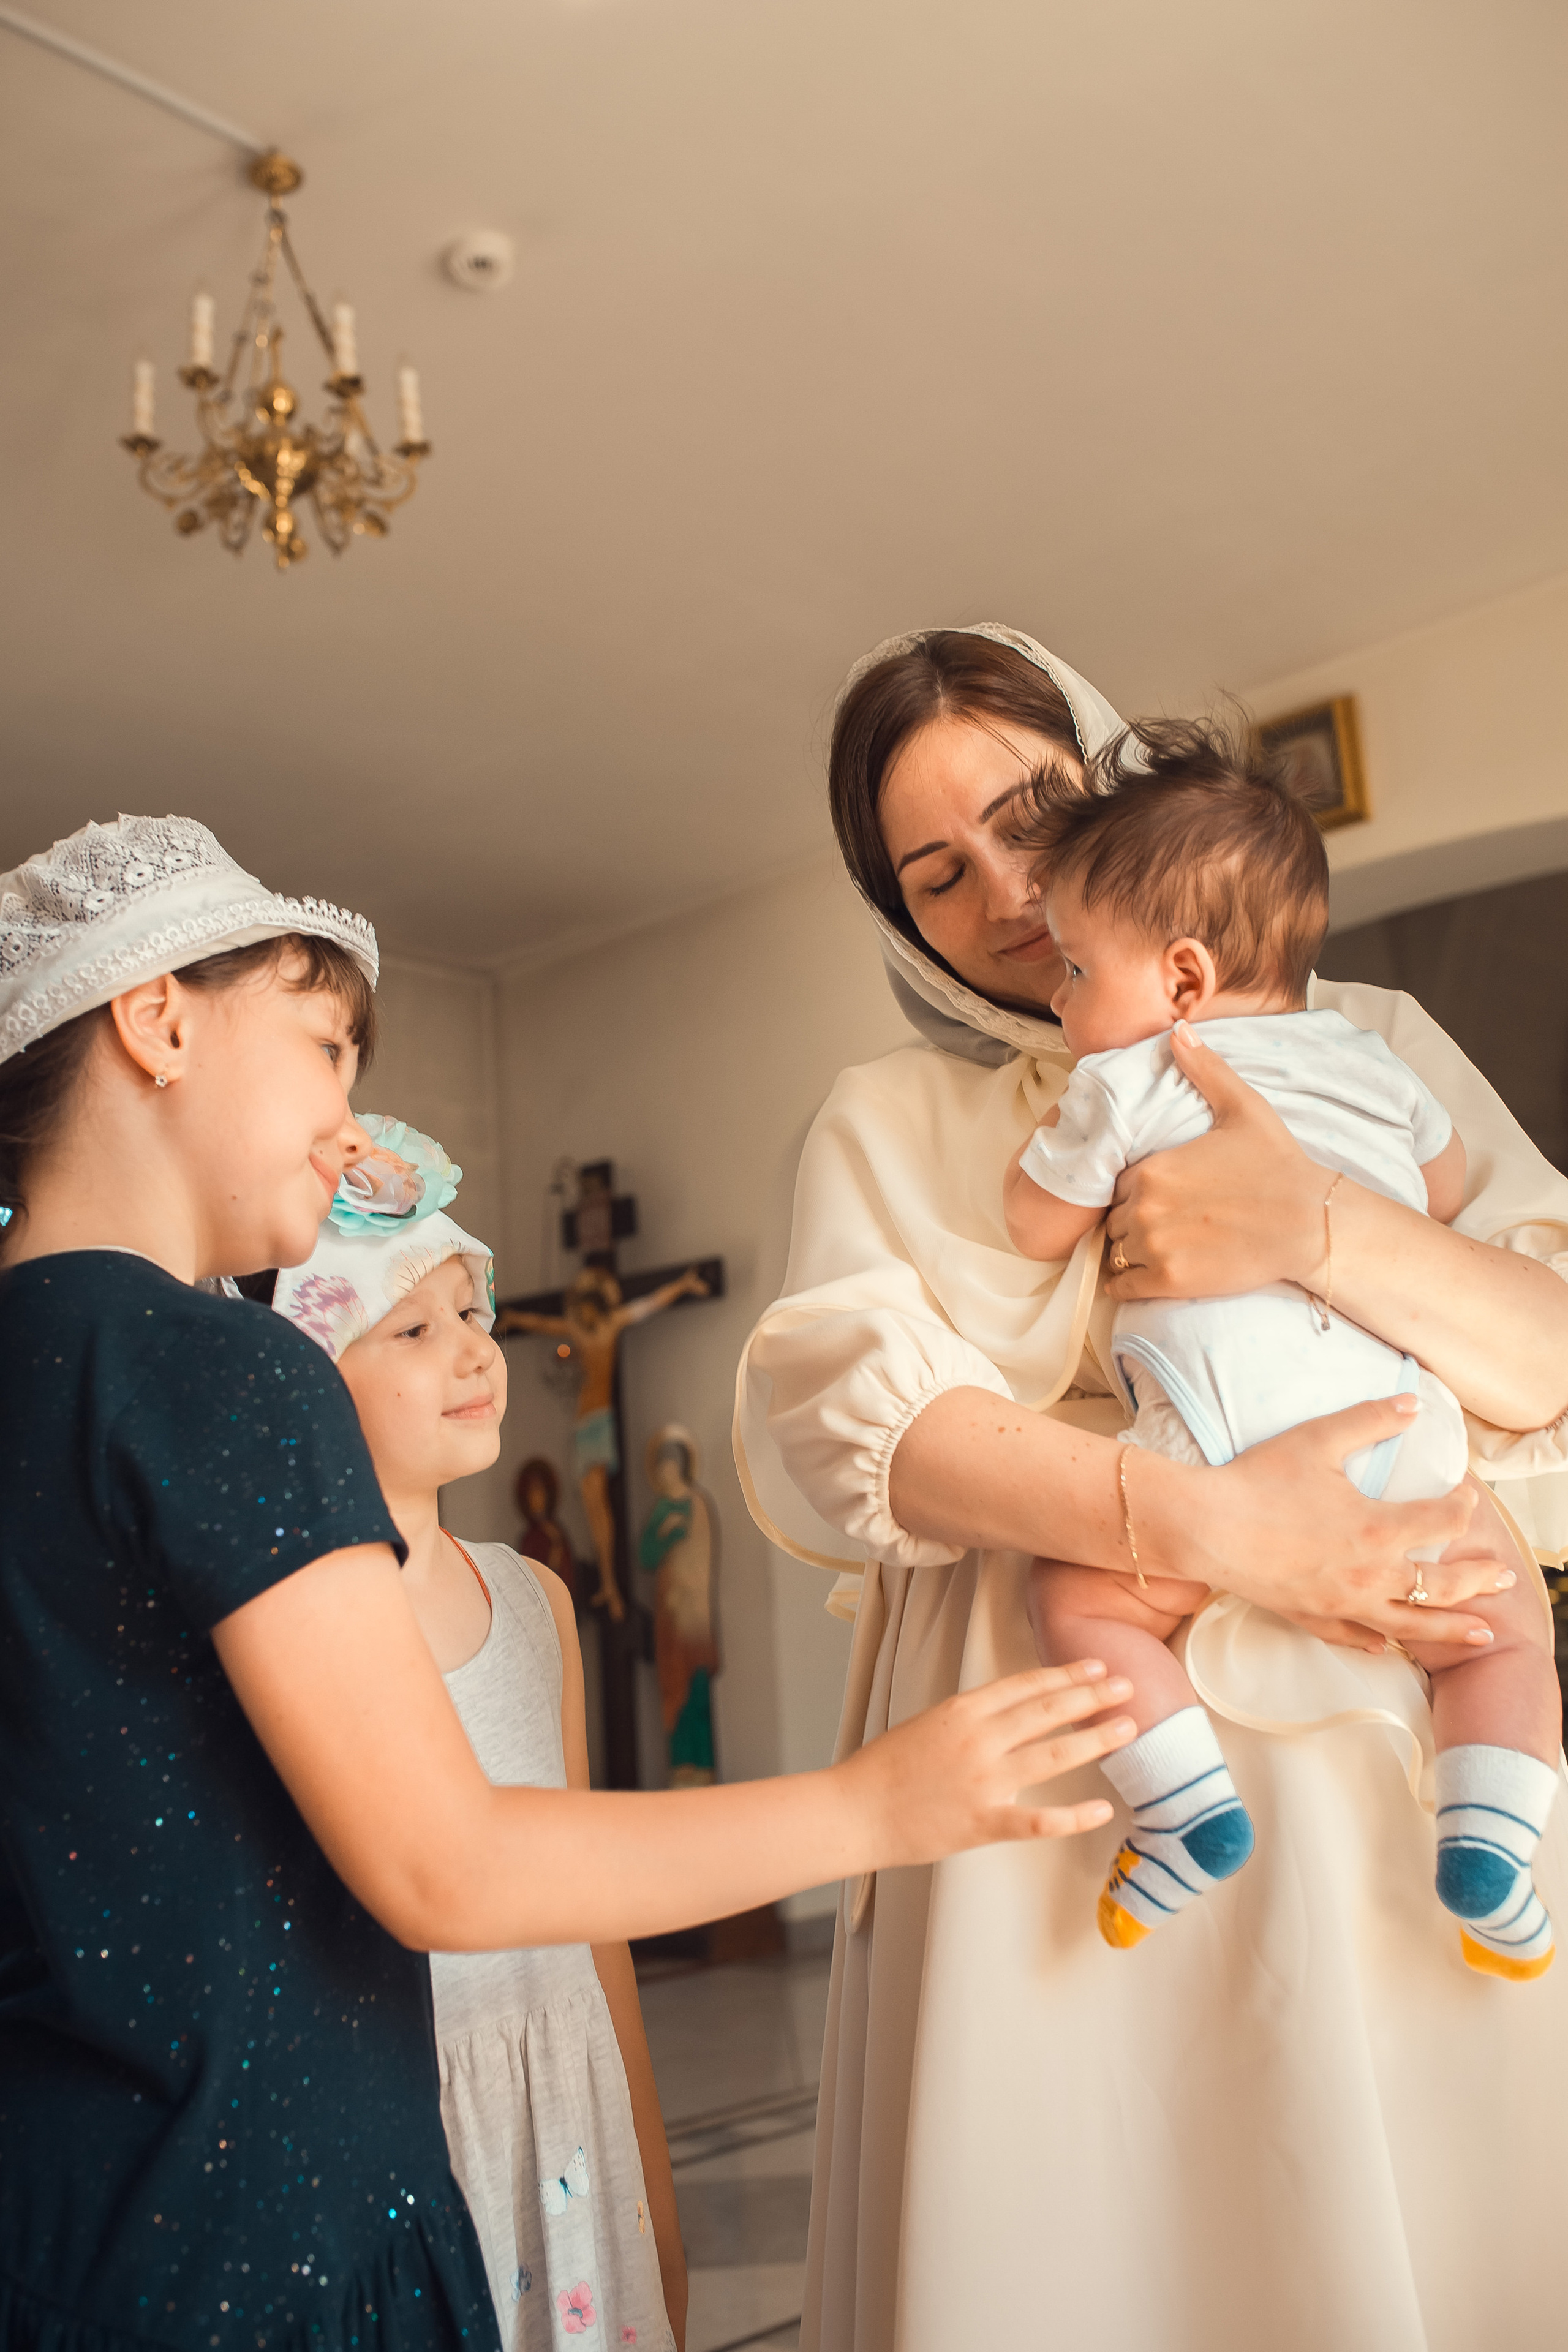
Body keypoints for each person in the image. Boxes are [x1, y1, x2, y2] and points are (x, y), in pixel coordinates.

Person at [0, 811, 1132, 2352]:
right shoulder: (228, 1376)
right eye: (327, 1044)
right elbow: (443, 1867)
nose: (348, 1119)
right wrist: (875, 1803)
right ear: (156, 1017)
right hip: (264, 2236)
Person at [732, 626, 1568, 2352]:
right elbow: (851, 1425)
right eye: (935, 873)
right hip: (1060, 1749)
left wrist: (1312, 1229)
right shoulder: (886, 1119)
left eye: (1031, 808)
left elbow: (1548, 1351)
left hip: (1367, 1737)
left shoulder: (1373, 1033)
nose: (1007, 888)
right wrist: (1210, 1525)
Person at [1004, 717, 1559, 1972]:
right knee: (1501, 1627)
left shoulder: (1131, 1077)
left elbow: (1033, 1225)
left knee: (1078, 1597)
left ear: (1182, 982)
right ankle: (1488, 1842)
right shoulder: (1367, 1055)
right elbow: (1440, 1183)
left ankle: (1181, 1810)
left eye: (1076, 970)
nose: (1056, 995)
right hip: (1396, 1432)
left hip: (1214, 1439)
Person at [271, 1123, 686, 2348]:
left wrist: (650, 2183)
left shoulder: (535, 1601)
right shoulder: (284, 1621)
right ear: (305, 1372)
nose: (472, 1353)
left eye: (472, 1315)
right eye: (412, 1330)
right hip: (399, 2120)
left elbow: (589, 1906)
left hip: (562, 2107)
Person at [499, 1267, 709, 1622]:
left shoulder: (611, 1326)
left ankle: (610, 1580)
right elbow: (542, 1324)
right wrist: (513, 1316)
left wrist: (685, 1284)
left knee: (599, 1505)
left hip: (599, 1425)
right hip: (583, 1426)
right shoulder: (578, 1332)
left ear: (595, 1305)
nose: (581, 1315)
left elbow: (651, 1303)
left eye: (586, 1308)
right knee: (591, 1504)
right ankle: (608, 1582)